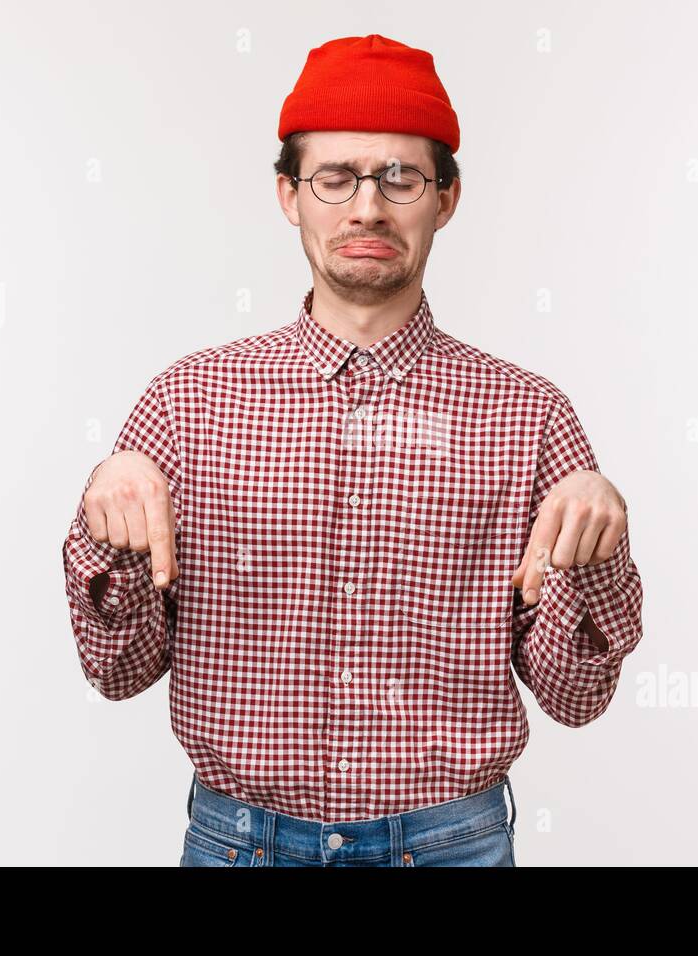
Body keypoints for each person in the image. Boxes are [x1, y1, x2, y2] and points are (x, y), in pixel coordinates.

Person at [60, 34, 645, 867]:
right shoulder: (185, 404)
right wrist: (102, 527)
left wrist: (599, 556)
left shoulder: (529, 416)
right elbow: (117, 672)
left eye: (400, 177)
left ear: (446, 199)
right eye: (335, 178)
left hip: (451, 847)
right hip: (239, 847)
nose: (367, 207)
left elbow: (575, 697)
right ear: (288, 195)